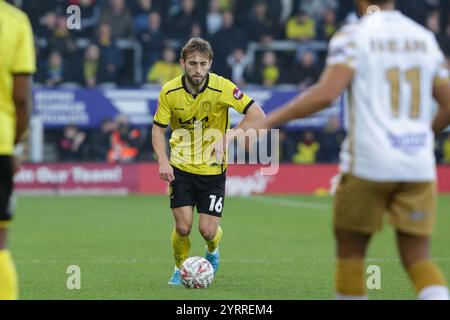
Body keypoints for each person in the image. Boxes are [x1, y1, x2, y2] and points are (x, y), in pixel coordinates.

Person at [251, 0, 450, 299]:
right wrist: (423, 136)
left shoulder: (353, 35)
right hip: (417, 166)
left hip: (369, 163)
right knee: (419, 258)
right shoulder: (423, 38)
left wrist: (270, 121)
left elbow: (327, 93)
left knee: (352, 257)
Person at [151, 37, 265, 285]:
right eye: (192, 63)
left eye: (203, 64)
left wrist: (229, 136)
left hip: (213, 170)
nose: (198, 69)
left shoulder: (223, 87)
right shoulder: (169, 91)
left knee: (207, 231)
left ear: (210, 64)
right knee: (183, 228)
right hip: (180, 167)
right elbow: (158, 129)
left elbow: (257, 114)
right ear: (182, 62)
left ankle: (212, 251)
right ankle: (179, 268)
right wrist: (162, 160)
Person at [0, 0, 36, 299]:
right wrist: (15, 144)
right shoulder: (15, 21)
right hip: (0, 141)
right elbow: (22, 99)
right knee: (0, 242)